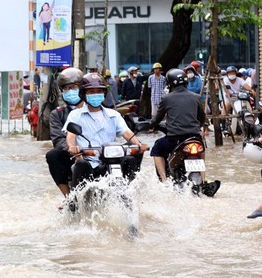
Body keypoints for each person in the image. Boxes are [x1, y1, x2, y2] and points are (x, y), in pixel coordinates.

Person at [64, 73, 148, 189]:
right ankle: (73, 202)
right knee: (81, 164)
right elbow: (71, 135)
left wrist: (138, 144)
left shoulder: (113, 114)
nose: (96, 94)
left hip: (111, 161)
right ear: (84, 94)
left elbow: (126, 132)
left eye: (99, 91)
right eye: (91, 92)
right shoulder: (75, 115)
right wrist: (73, 147)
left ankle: (130, 192)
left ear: (104, 93)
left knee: (130, 159)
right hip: (89, 162)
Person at [149, 68, 221, 197]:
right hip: (194, 137)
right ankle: (203, 181)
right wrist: (198, 128)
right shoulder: (196, 97)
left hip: (174, 139)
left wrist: (149, 125)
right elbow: (202, 118)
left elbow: (157, 119)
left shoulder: (166, 98)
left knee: (157, 148)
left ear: (170, 84)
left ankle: (165, 182)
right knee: (201, 150)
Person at [45, 68, 86, 201]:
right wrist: (72, 149)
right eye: (66, 88)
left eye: (73, 87)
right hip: (72, 154)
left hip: (97, 152)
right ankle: (69, 199)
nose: (70, 91)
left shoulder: (98, 109)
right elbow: (58, 139)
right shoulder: (58, 114)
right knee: (53, 155)